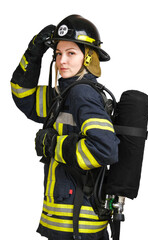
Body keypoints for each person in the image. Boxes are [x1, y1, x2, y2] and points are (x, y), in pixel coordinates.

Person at [11, 14, 120, 240]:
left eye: (71, 53)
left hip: (76, 225)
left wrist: (53, 145)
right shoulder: (65, 94)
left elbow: (104, 149)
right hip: (70, 222)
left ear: (88, 58)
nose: (62, 61)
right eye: (59, 53)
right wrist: (34, 51)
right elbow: (22, 94)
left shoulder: (81, 93)